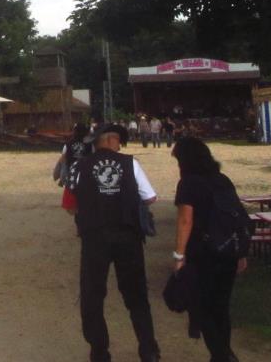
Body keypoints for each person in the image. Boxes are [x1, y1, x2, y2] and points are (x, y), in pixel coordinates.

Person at [70, 122, 160, 362]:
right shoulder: (131, 164)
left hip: (94, 237)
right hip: (127, 235)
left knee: (92, 294)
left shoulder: (80, 166)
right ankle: (148, 349)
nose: (120, 145)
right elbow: (150, 197)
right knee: (136, 294)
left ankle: (99, 351)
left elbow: (70, 204)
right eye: (118, 140)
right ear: (110, 140)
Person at [171, 137, 248, 362]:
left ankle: (221, 354)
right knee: (221, 307)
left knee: (202, 307)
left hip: (203, 252)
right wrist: (241, 252)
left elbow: (185, 220)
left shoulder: (188, 183)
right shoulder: (222, 180)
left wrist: (179, 255)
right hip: (228, 250)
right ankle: (223, 352)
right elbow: (236, 217)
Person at [55, 123, 90, 214]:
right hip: (86, 174)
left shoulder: (68, 144)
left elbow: (63, 159)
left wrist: (60, 172)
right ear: (86, 132)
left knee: (72, 199)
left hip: (72, 174)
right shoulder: (90, 144)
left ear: (74, 131)